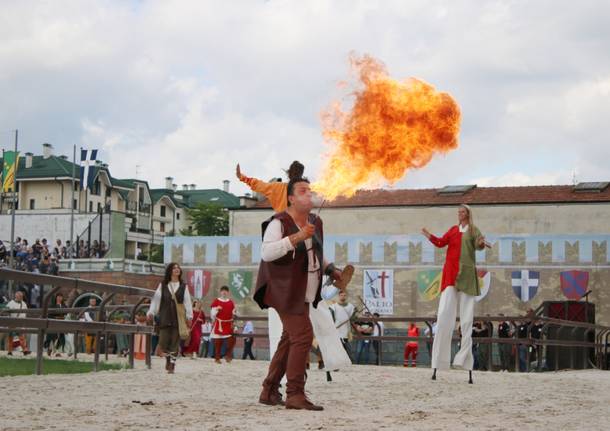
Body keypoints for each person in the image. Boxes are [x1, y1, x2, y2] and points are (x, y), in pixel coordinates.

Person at [253, 176, 344, 411]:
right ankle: (295, 393)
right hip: (283, 290)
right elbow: (267, 252)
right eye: (303, 191)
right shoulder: (279, 222)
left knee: (288, 340)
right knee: (303, 335)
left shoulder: (316, 220)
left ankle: (269, 389)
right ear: (291, 198)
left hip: (304, 289)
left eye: (310, 190)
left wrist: (331, 270)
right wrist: (297, 237)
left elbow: (316, 253)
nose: (309, 194)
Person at [422, 204, 486, 384]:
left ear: (467, 214)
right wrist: (429, 236)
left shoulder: (473, 230)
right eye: (458, 212)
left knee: (466, 320)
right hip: (450, 275)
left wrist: (481, 243)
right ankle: (439, 362)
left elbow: (479, 244)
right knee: (443, 317)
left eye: (462, 212)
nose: (459, 214)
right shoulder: (452, 230)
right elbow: (441, 243)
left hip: (466, 276)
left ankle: (464, 362)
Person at [147, 262, 193, 374]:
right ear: (170, 271)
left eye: (178, 268)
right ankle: (168, 359)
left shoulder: (183, 286)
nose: (177, 269)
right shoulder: (163, 285)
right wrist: (151, 312)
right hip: (165, 317)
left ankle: (172, 363)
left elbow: (187, 302)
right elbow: (156, 300)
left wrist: (189, 316)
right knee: (163, 342)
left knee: (175, 342)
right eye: (174, 268)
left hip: (178, 319)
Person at [236, 161, 304, 213]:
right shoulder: (304, 191)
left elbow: (260, 185)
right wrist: (242, 177)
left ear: (289, 174)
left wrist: (242, 177)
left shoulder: (279, 187)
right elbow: (260, 185)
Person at [210, 286, 236, 363]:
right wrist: (216, 309)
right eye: (223, 291)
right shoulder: (216, 301)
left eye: (226, 291)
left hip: (228, 323)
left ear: (228, 292)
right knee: (218, 341)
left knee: (231, 341)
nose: (224, 292)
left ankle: (228, 355)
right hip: (219, 324)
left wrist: (235, 312)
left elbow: (233, 313)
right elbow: (212, 314)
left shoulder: (231, 302)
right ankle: (217, 358)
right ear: (220, 292)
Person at [328, 290, 355, 359]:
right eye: (341, 295)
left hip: (346, 328)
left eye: (344, 295)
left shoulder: (350, 306)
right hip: (337, 327)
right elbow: (331, 316)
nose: (343, 297)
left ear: (346, 296)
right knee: (337, 344)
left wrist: (354, 316)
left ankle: (348, 359)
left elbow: (353, 317)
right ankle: (336, 358)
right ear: (339, 296)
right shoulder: (334, 306)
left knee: (346, 343)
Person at [6, 291, 31, 356]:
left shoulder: (24, 304)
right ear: (16, 296)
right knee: (10, 337)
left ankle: (25, 350)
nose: (21, 297)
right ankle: (9, 351)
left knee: (21, 337)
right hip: (12, 323)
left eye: (21, 296)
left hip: (20, 323)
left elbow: (26, 313)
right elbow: (6, 312)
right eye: (19, 296)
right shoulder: (10, 303)